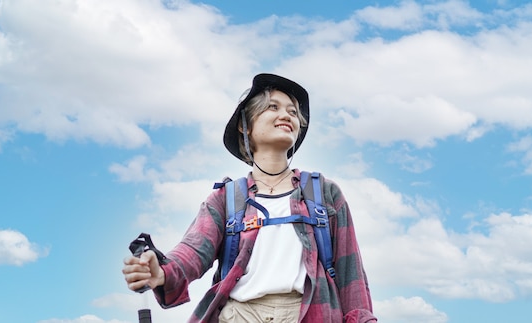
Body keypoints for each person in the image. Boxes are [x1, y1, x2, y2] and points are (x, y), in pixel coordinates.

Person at [122, 73, 377, 323]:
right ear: (245, 125)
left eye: (292, 111)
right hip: (239, 315)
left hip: (310, 312)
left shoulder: (323, 193)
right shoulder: (227, 198)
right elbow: (193, 251)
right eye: (273, 107)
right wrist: (162, 271)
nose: (286, 115)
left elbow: (350, 274)